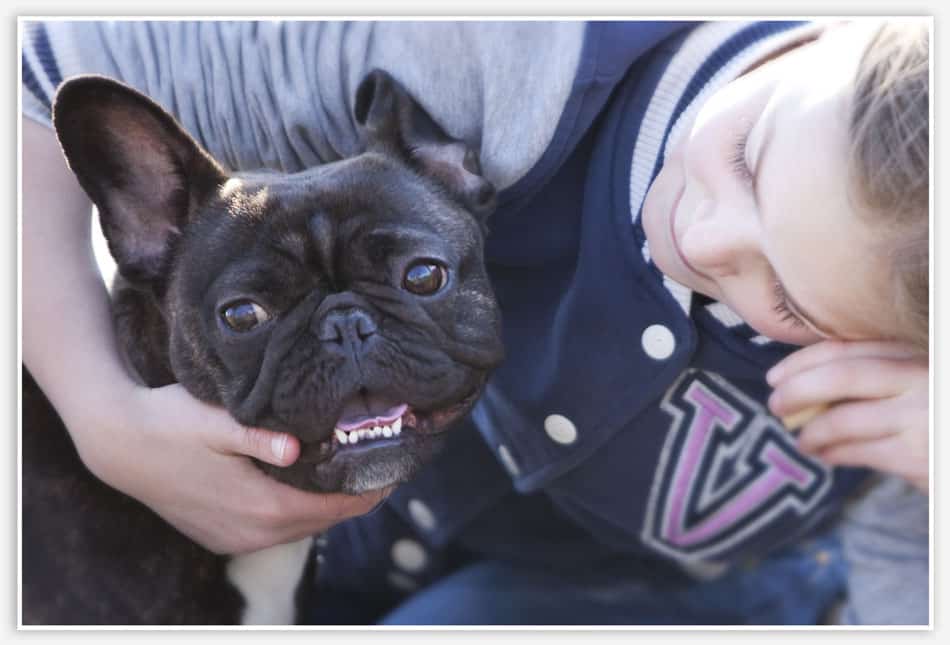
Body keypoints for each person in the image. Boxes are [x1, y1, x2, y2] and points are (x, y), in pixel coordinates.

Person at [21, 19, 929, 624]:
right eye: (747, 156)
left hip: (657, 586)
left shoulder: (913, 383)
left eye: (787, 297)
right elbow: (30, 67)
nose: (705, 233)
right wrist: (104, 419)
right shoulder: (503, 45)